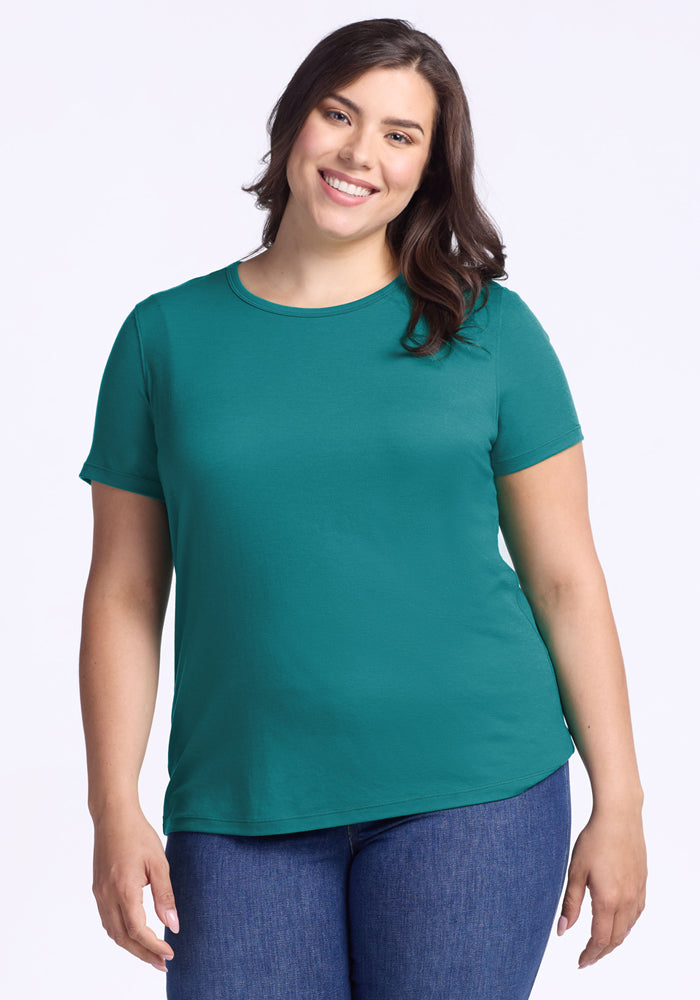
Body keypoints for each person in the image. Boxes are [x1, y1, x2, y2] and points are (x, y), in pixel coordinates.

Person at [77, 17, 647, 1000]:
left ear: (429, 167)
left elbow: (563, 577)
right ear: (293, 121)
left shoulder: (489, 332)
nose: (358, 154)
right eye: (338, 114)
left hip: (474, 791)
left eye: (399, 133)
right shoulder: (163, 338)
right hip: (240, 804)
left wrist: (621, 800)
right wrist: (112, 807)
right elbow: (126, 591)